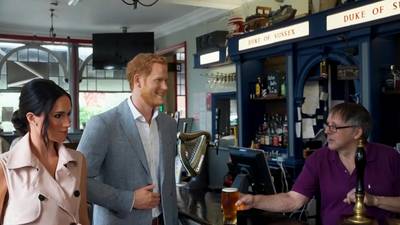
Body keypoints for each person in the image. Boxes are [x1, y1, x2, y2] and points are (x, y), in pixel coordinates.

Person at [236, 102, 400, 225]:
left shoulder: (389, 157)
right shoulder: (319, 159)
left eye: (334, 127)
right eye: (327, 125)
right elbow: (293, 200)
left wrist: (375, 201)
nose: (327, 131)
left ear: (357, 132)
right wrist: (254, 200)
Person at [78, 53, 178, 225]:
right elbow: (78, 180)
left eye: (166, 81)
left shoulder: (169, 124)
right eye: (158, 80)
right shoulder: (103, 124)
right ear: (138, 81)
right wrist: (129, 199)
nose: (165, 87)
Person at [0, 79, 90, 225]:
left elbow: (83, 218)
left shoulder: (78, 161)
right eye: (58, 116)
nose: (68, 123)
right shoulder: (5, 166)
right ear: (31, 118)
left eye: (68, 114)